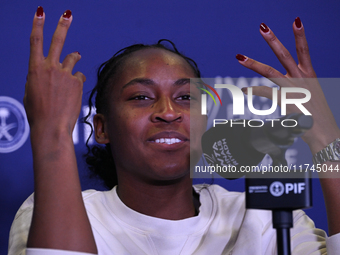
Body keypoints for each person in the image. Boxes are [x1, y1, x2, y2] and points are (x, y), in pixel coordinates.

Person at [8, 6, 340, 255]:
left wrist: (327, 141)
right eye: (140, 97)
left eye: (185, 97)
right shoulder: (53, 210)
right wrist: (51, 132)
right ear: (102, 128)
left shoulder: (265, 217)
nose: (168, 112)